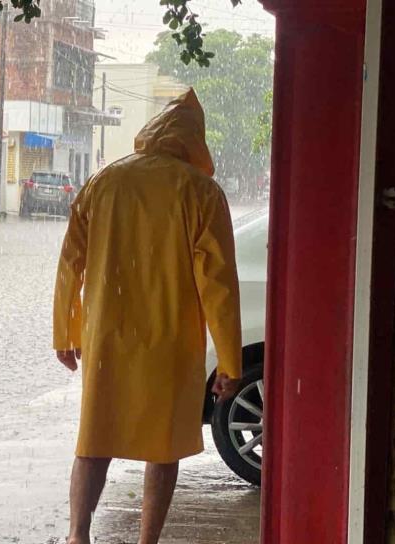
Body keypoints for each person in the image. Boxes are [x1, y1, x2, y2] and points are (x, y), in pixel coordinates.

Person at [52, 89, 243, 544]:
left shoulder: (104, 181)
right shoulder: (201, 193)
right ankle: (147, 541)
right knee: (164, 447)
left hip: (108, 338)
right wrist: (231, 364)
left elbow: (69, 263)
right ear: (194, 141)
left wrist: (66, 331)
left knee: (95, 439)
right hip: (170, 341)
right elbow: (218, 285)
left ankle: (78, 535)